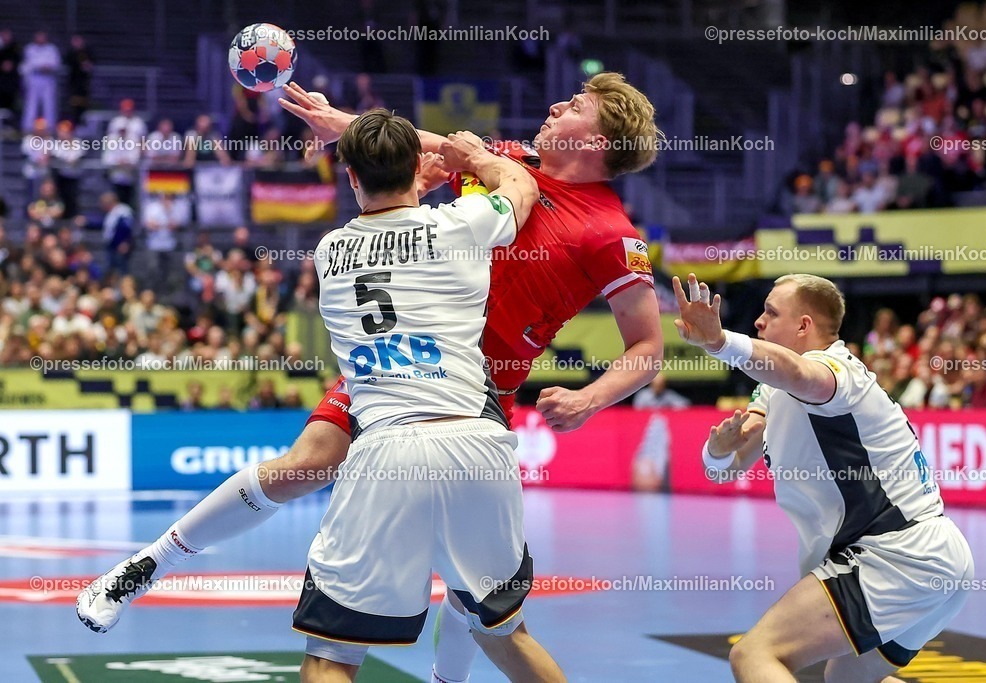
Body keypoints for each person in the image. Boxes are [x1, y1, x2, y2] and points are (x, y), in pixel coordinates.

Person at [79, 72, 663, 683]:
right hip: (388, 367)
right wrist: (340, 124)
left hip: (478, 391)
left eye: (575, 105)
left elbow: (647, 347)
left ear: (599, 140)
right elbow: (414, 148)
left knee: (475, 600)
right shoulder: (507, 162)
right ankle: (147, 564)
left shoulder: (610, 233)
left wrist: (591, 398)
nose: (555, 104)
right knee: (303, 466)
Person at [287, 110, 560, 681]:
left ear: (349, 177)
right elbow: (522, 184)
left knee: (332, 653)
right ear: (417, 165)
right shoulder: (463, 223)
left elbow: (391, 234)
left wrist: (414, 183)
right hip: (476, 442)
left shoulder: (329, 251)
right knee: (506, 634)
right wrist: (473, 157)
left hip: (387, 450)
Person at [674, 272, 973, 682]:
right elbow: (728, 466)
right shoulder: (774, 388)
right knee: (845, 679)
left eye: (771, 312)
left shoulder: (838, 373)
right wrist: (718, 451)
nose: (759, 321)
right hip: (933, 559)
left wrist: (720, 341)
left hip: (895, 555)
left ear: (804, 326)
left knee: (754, 655)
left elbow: (800, 375)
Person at [19, 31, 59, 131]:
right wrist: (40, 66)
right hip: (34, 78)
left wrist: (46, 67)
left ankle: (50, 127)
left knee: (49, 103)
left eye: (42, 37)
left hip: (47, 78)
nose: (40, 39)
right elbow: (28, 64)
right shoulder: (30, 48)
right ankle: (27, 127)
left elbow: (55, 63)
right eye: (38, 37)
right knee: (31, 104)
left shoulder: (51, 49)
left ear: (46, 38)